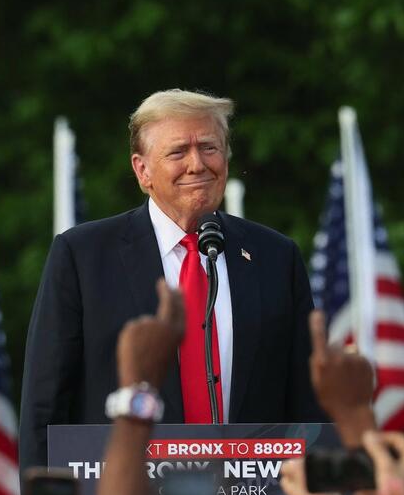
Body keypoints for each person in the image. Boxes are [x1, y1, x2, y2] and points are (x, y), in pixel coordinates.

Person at [19, 89, 325, 471]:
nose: (197, 164)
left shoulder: (276, 257)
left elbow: (307, 404)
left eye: (209, 148)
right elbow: (44, 407)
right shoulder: (83, 256)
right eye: (178, 151)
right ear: (142, 170)